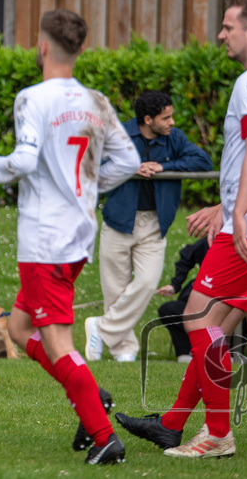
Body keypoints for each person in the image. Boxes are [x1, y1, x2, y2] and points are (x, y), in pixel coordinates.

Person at [114, 0, 247, 462]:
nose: (220, 35)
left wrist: (235, 212)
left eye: (228, 27)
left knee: (199, 321)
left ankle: (217, 435)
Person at [0, 8, 140, 465]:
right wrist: (84, 187)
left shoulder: (32, 98)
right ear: (80, 49)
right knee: (22, 327)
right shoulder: (97, 101)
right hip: (79, 234)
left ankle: (104, 434)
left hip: (46, 238)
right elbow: (127, 161)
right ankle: (90, 393)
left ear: (42, 46)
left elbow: (22, 162)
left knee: (59, 343)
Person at [86, 90, 212, 362]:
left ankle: (101, 328)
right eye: (166, 117)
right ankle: (125, 350)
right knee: (115, 289)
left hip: (154, 224)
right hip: (118, 220)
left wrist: (165, 166)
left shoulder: (174, 139)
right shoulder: (117, 134)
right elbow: (94, 164)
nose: (172, 122)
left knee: (147, 282)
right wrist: (131, 168)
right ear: (147, 119)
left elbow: (203, 161)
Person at [155, 237, 210, 362]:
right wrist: (175, 284)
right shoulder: (209, 240)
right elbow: (187, 256)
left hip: (233, 297)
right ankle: (185, 352)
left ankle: (232, 352)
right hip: (202, 292)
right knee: (169, 310)